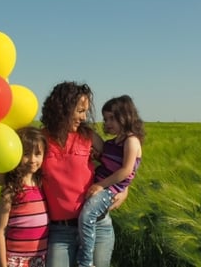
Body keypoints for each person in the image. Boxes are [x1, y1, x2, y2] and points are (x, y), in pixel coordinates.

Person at [40, 81, 129, 267]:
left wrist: (124, 189)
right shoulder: (41, 139)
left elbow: (118, 166)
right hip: (61, 231)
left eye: (86, 111)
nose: (84, 117)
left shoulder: (89, 136)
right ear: (63, 108)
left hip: (97, 225)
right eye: (80, 110)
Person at [76, 95, 145, 267]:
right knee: (88, 215)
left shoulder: (131, 141)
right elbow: (106, 158)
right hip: (104, 186)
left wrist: (100, 185)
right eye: (106, 119)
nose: (107, 123)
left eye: (112, 118)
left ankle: (85, 262)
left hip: (109, 190)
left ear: (126, 115)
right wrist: (98, 156)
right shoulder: (112, 143)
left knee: (87, 215)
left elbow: (126, 171)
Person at [0, 127, 49, 267]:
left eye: (38, 154)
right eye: (26, 154)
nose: (32, 159)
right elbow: (0, 231)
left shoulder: (43, 185)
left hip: (40, 258)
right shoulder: (11, 189)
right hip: (15, 260)